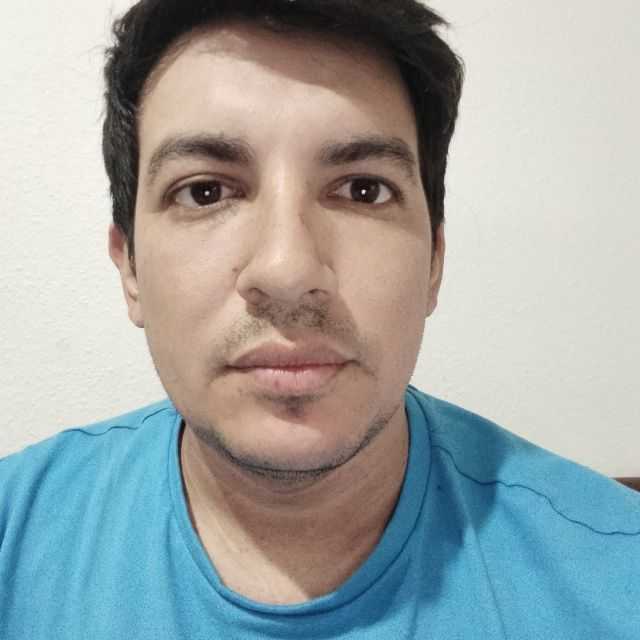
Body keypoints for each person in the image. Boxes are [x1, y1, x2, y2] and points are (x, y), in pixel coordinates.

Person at [1, 0, 638, 637]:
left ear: (434, 262)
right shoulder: (14, 539)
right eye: (205, 191)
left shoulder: (617, 578)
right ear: (130, 269)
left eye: (363, 189)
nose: (287, 268)